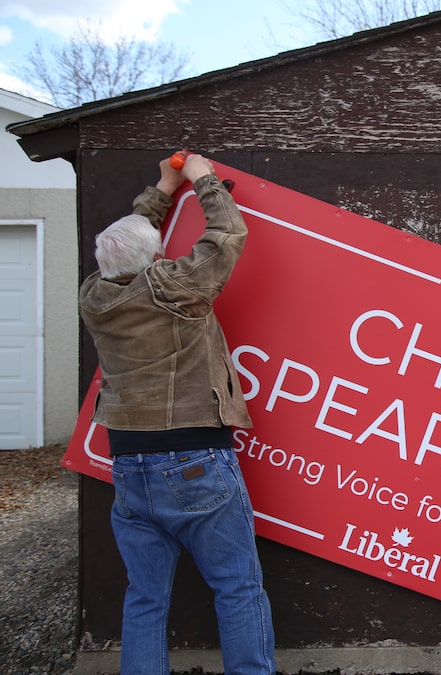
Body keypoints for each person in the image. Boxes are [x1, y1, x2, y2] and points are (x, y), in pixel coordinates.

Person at [78, 153, 276, 675]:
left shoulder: (94, 297)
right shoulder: (176, 288)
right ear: (157, 256)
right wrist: (204, 180)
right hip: (195, 460)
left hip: (129, 465)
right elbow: (226, 234)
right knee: (238, 587)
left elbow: (127, 246)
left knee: (145, 596)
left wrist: (162, 190)